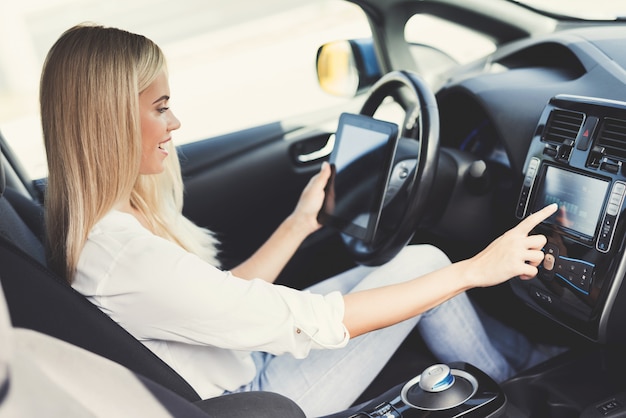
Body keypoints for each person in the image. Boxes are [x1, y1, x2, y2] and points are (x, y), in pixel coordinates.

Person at [40, 23, 559, 417]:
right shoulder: (125, 255)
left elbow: (218, 301)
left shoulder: (110, 226)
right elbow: (314, 325)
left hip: (236, 362)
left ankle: (528, 359)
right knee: (435, 268)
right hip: (253, 396)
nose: (175, 122)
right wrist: (476, 269)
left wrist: (300, 222)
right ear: (107, 122)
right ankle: (521, 384)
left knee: (423, 259)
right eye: (160, 107)